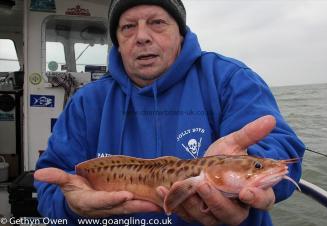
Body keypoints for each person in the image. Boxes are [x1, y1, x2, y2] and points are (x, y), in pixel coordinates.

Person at [34, 0, 305, 225]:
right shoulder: (86, 101)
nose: (141, 37)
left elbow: (280, 147)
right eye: (128, 27)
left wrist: (257, 168)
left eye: (157, 22)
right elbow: (52, 185)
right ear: (117, 41)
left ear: (181, 33)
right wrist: (73, 206)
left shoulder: (229, 78)